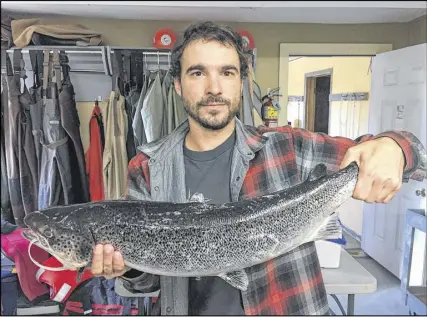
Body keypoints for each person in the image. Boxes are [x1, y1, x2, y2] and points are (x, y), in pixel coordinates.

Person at [90, 21, 425, 315]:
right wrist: (127, 270)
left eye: (227, 72)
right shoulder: (146, 168)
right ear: (177, 84)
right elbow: (148, 280)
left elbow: (415, 160)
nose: (214, 88)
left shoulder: (287, 147)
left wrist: (395, 148)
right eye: (197, 72)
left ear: (242, 83)